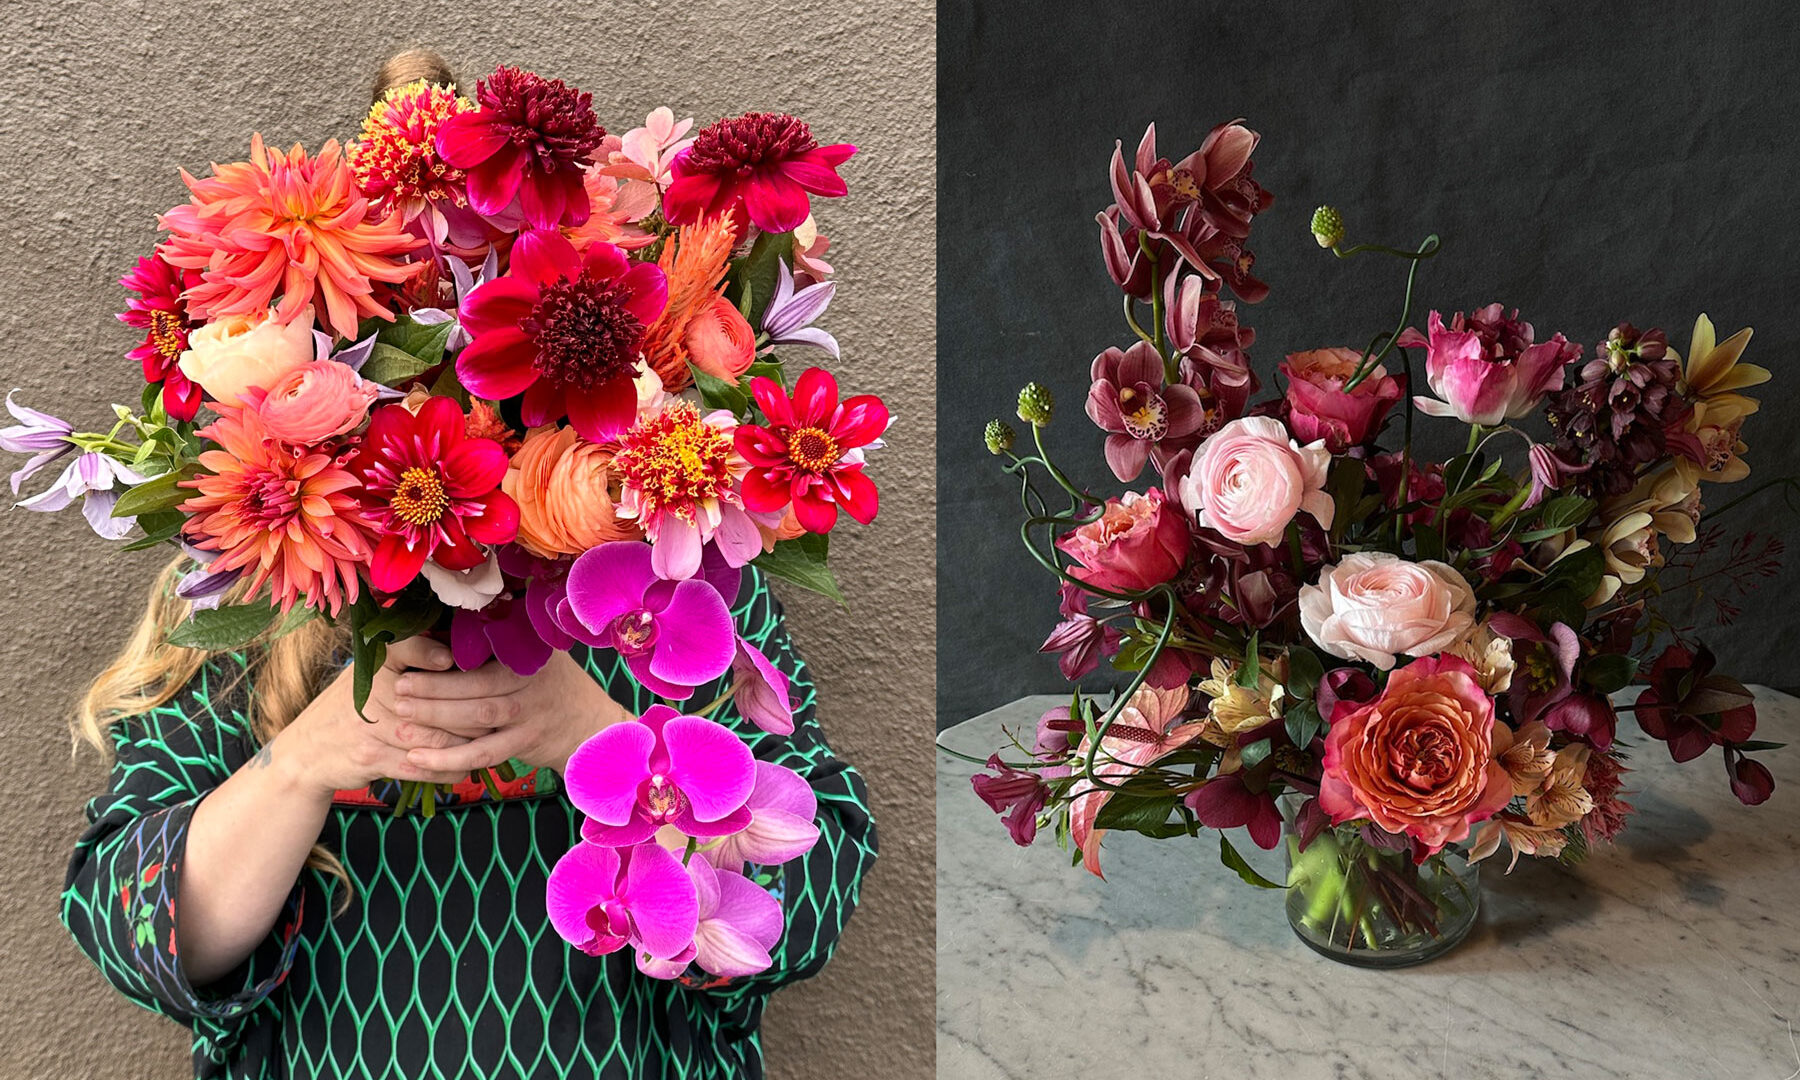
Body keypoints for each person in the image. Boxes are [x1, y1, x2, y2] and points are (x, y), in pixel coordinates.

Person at [58, 53, 874, 1080]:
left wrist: (603, 741)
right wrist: (309, 760)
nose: (458, 423)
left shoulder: (679, 579)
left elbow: (817, 883)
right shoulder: (261, 591)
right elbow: (136, 931)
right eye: (406, 353)